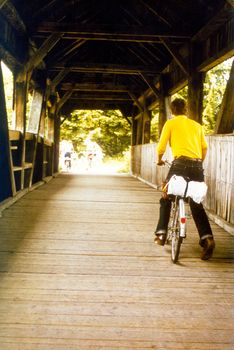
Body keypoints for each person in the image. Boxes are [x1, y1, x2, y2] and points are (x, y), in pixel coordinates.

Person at [154, 97, 215, 260]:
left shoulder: (171, 123)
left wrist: (159, 159)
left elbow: (161, 147)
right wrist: (199, 162)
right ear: (186, 110)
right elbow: (204, 147)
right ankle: (207, 238)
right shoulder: (197, 126)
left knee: (166, 197)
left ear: (172, 111)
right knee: (195, 202)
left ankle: (161, 234)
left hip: (179, 164)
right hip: (197, 166)